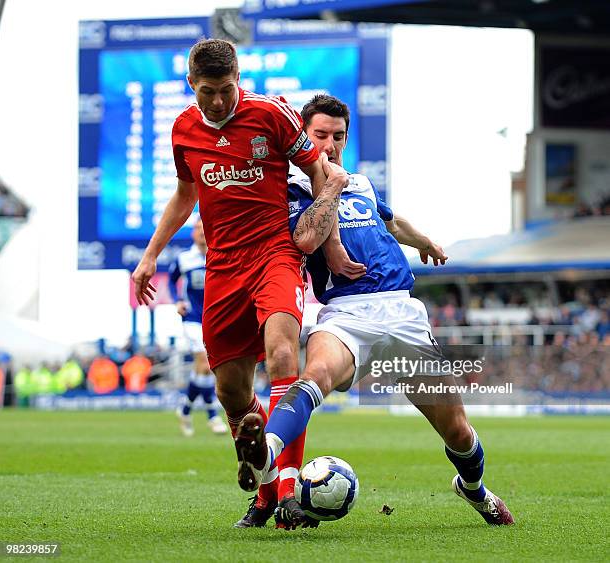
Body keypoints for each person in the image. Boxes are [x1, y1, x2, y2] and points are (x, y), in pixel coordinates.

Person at [235, 94, 514, 528]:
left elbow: (390, 221)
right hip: (346, 312)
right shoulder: (287, 189)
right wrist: (328, 190)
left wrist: (425, 243)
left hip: (402, 311)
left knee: (457, 430)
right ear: (301, 137)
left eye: (338, 136)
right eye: (320, 135)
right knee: (316, 375)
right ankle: (264, 452)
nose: (329, 145)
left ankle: (474, 489)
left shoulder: (359, 182)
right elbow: (306, 238)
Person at [131, 39, 362, 528]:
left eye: (227, 89)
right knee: (231, 390)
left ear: (240, 79)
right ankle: (263, 491)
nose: (218, 101)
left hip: (275, 253)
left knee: (283, 356)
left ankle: (287, 491)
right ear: (191, 84)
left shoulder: (271, 115)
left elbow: (320, 170)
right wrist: (150, 256)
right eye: (208, 92)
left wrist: (330, 241)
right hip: (223, 266)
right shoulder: (183, 129)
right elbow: (185, 193)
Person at [169, 218, 227, 436]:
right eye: (197, 228)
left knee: (204, 367)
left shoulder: (220, 255)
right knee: (204, 362)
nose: (202, 232)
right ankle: (213, 416)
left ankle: (185, 409)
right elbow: (171, 280)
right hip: (193, 318)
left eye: (205, 227)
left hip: (216, 319)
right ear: (192, 233)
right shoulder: (185, 258)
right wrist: (177, 300)